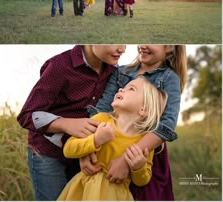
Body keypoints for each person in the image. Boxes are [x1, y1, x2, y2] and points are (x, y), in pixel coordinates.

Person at [17, 43, 126, 202]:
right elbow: (27, 115)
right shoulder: (59, 66)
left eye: (124, 43)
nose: (122, 49)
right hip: (48, 153)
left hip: (84, 152)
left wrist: (88, 149)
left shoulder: (115, 72)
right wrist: (65, 123)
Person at [85, 44, 187, 201]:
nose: (143, 45)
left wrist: (127, 159)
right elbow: (101, 111)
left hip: (146, 150)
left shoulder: (169, 78)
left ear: (169, 47)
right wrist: (88, 149)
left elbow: (166, 125)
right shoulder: (120, 72)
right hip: (108, 145)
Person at [58, 76, 167, 201]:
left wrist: (138, 167)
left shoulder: (144, 141)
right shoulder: (101, 119)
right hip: (85, 190)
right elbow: (68, 149)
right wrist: (96, 139)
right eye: (123, 87)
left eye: (131, 89)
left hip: (116, 195)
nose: (121, 89)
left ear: (144, 109)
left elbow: (142, 181)